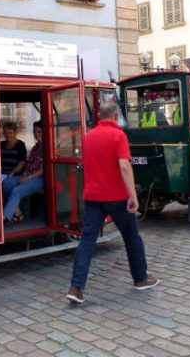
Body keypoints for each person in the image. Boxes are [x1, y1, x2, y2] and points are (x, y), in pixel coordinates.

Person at [67, 101, 158, 304]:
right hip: (116, 197)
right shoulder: (118, 135)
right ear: (116, 117)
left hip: (93, 197)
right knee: (132, 237)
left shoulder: (88, 136)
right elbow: (124, 166)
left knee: (87, 242)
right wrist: (133, 196)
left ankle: (76, 287)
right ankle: (140, 278)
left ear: (101, 117)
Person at [2, 121, 43, 224]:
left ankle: (4, 218)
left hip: (40, 178)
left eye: (39, 131)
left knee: (16, 191)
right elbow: (28, 165)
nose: (36, 134)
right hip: (28, 174)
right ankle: (18, 214)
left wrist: (28, 178)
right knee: (6, 183)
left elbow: (43, 170)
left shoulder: (47, 147)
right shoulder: (35, 148)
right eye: (34, 132)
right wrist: (24, 174)